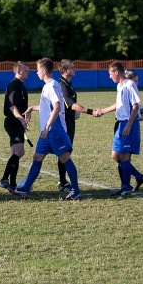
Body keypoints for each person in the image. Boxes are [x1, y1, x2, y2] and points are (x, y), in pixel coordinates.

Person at [7, 58, 82, 201]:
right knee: (37, 158)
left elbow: (57, 107)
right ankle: (25, 189)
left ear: (43, 70)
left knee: (65, 158)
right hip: (47, 131)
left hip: (54, 130)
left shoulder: (52, 85)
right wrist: (32, 108)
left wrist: (47, 127)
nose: (36, 73)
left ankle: (76, 191)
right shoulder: (48, 85)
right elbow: (48, 108)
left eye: (37, 70)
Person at [97, 62, 143, 196]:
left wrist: (129, 125)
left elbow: (135, 106)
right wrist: (103, 110)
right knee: (116, 156)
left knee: (123, 156)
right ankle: (138, 177)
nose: (110, 77)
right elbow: (119, 104)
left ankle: (126, 187)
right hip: (120, 123)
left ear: (116, 72)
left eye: (110, 74)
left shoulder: (130, 85)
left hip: (128, 123)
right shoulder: (120, 86)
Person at [56, 59, 101, 193]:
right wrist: (91, 111)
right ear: (64, 71)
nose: (74, 69)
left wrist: (73, 113)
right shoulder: (62, 85)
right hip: (64, 124)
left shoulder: (69, 84)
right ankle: (63, 182)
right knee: (64, 152)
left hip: (70, 121)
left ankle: (63, 181)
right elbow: (71, 105)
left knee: (67, 151)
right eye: (72, 67)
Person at [0, 62, 30, 190]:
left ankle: (12, 183)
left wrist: (26, 115)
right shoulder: (14, 85)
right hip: (12, 122)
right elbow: (12, 106)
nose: (28, 72)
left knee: (15, 152)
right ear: (18, 71)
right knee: (20, 151)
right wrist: (20, 119)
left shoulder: (21, 86)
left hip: (18, 122)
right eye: (26, 70)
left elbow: (20, 105)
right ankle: (4, 179)